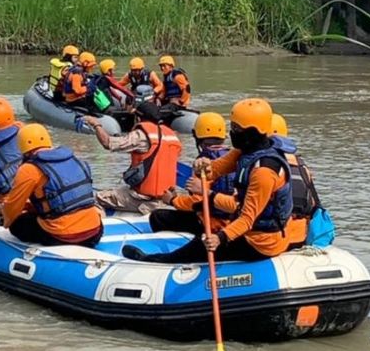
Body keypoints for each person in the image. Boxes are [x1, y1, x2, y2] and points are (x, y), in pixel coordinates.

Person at [122, 98, 305, 263]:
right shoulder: (245, 151)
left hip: (262, 242)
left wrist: (221, 237)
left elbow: (247, 218)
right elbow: (214, 169)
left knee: (198, 247)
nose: (232, 132)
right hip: (247, 229)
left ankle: (156, 261)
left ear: (253, 132)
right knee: (199, 236)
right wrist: (203, 165)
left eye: (236, 129)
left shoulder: (264, 171)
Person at [0, 123, 103, 247]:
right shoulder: (74, 159)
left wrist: (6, 218)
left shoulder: (29, 169)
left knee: (17, 225)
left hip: (62, 236)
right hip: (95, 231)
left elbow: (12, 210)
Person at [83, 102, 182, 215]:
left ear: (139, 117)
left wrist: (96, 125)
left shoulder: (141, 136)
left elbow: (108, 143)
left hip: (144, 199)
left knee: (98, 197)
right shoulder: (173, 137)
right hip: (167, 198)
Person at [149, 112, 235, 234]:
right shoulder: (234, 158)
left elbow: (196, 203)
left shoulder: (202, 163)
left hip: (211, 224)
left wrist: (173, 200)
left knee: (157, 217)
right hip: (234, 222)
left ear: (197, 136)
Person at [269, 113, 319, 247]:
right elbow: (312, 204)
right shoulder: (302, 166)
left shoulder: (265, 165)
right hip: (300, 237)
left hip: (275, 238)